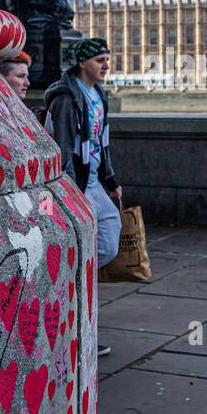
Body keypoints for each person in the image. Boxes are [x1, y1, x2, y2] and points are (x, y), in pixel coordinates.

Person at [44, 38, 123, 357]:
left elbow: (102, 141)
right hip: (75, 182)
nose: (106, 64)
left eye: (108, 58)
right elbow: (62, 146)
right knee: (83, 249)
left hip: (94, 181)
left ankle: (72, 295)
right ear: (82, 64)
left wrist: (111, 178)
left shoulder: (99, 94)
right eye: (100, 59)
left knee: (109, 240)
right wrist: (66, 190)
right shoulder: (66, 98)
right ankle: (76, 319)